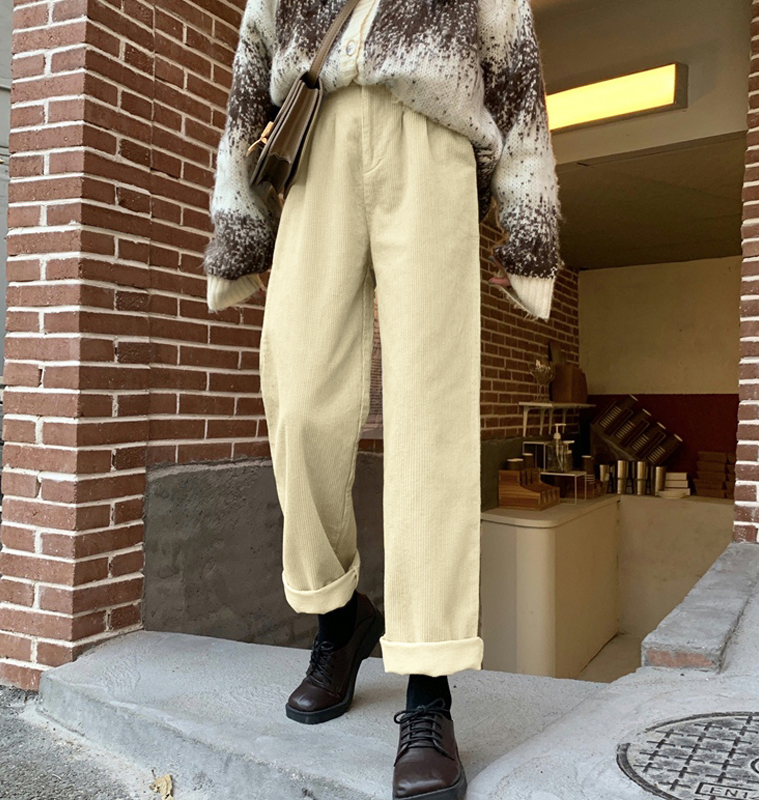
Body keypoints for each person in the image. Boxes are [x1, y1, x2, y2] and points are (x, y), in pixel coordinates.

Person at [201, 0, 563, 798]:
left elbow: (514, 60)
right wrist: (240, 223)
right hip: (317, 137)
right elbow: (253, 61)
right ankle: (341, 619)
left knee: (431, 414)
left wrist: (530, 230)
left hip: (433, 139)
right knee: (298, 401)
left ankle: (429, 689)